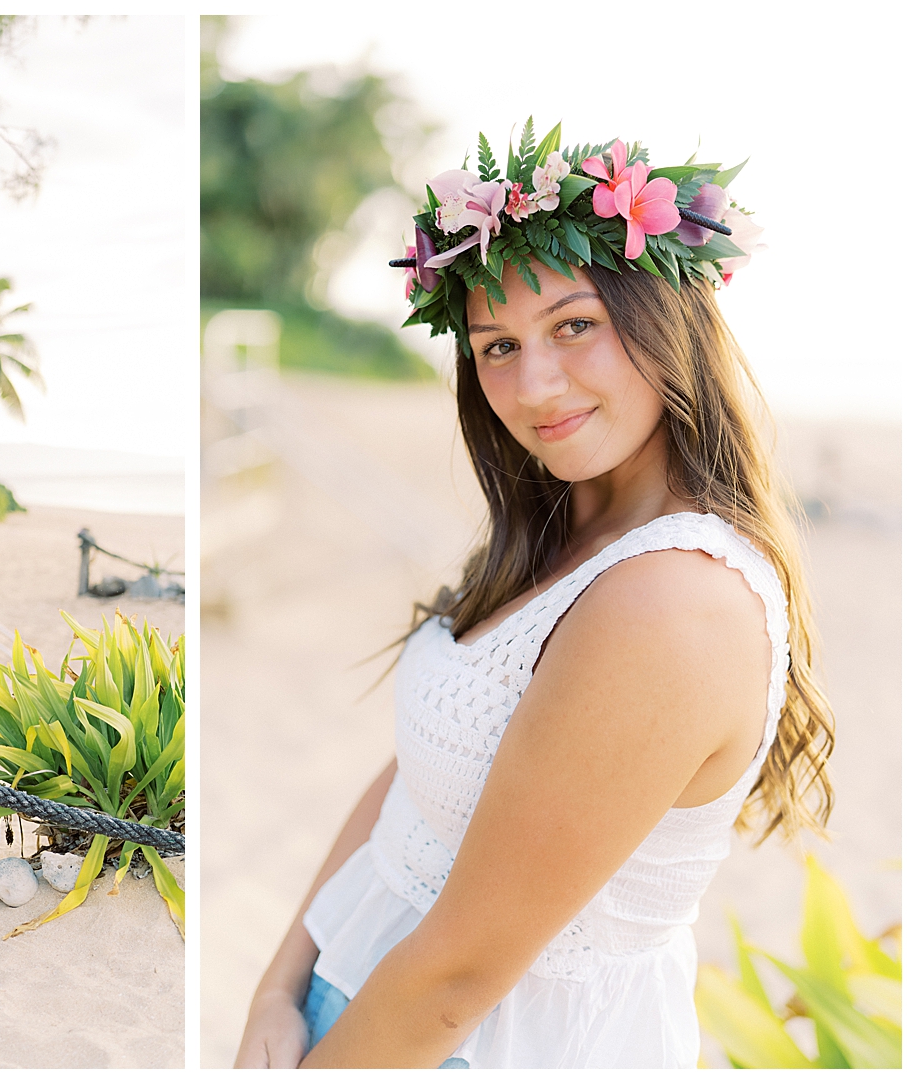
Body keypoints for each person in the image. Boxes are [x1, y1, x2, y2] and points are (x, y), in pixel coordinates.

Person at [234, 122, 834, 1068]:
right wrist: (278, 986)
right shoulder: (566, 536)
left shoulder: (671, 604)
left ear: (669, 322)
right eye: (496, 345)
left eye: (575, 325)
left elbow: (460, 976)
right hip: (348, 996)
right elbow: (416, 787)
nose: (534, 385)